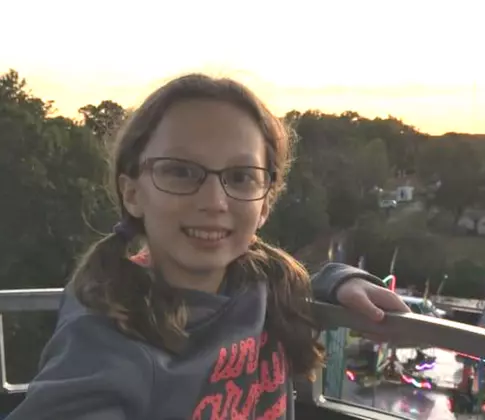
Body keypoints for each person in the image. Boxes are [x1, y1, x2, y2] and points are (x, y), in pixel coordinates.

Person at [7, 74, 410, 420]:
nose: (214, 201)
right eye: (181, 171)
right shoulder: (107, 331)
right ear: (132, 193)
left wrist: (341, 283)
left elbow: (304, 284)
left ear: (265, 202)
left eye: (240, 176)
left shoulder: (265, 286)